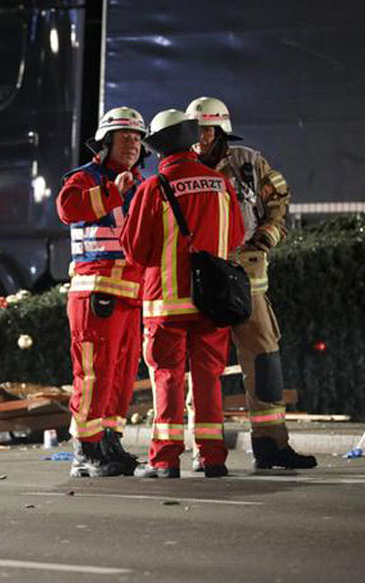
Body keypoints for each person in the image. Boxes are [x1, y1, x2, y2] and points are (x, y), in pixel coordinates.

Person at [185, 96, 316, 470]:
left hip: (247, 271)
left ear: (222, 130)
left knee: (263, 358)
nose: (201, 137)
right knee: (203, 366)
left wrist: (266, 237)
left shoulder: (249, 163)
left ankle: (272, 445)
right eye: (195, 130)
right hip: (206, 271)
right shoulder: (183, 167)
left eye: (207, 129)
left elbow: (279, 201)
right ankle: (204, 450)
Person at [121, 109, 244, 478]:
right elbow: (236, 236)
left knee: (168, 378)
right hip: (214, 303)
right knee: (208, 378)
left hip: (167, 303)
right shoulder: (221, 185)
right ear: (190, 141)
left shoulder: (153, 188)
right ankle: (212, 457)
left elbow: (135, 251)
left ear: (159, 149)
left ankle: (165, 459)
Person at [56, 106, 148, 477]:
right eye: (125, 137)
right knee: (94, 373)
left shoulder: (142, 184)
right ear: (106, 142)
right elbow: (67, 209)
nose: (133, 145)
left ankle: (110, 441)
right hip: (96, 293)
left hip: (130, 295)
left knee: (122, 373)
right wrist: (112, 192)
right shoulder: (85, 179)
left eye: (139, 139)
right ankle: (86, 449)